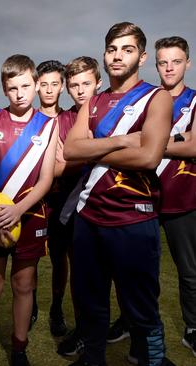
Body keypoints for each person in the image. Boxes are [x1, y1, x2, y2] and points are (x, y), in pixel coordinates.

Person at [64, 22, 174, 366]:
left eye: (127, 49)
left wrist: (92, 149)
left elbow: (148, 156)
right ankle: (93, 359)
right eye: (112, 48)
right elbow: (70, 150)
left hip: (134, 217)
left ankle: (150, 359)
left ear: (141, 57)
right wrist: (121, 140)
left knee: (141, 306)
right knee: (89, 303)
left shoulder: (157, 97)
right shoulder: (93, 101)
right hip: (89, 218)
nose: (117, 55)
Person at [0, 55, 58, 366]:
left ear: (36, 85)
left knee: (24, 285)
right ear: (5, 91)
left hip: (31, 215)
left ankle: (19, 350)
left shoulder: (49, 125)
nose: (20, 93)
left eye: (25, 86)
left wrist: (18, 210)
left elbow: (46, 178)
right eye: (12, 88)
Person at [53, 56, 102, 357]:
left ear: (98, 82)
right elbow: (59, 165)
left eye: (86, 83)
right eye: (74, 85)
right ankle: (84, 330)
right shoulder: (66, 119)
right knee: (82, 274)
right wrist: (104, 148)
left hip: (112, 204)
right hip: (73, 206)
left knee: (114, 276)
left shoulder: (113, 112)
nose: (81, 90)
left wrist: (82, 152)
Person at [154, 35, 196, 359]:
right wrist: (177, 139)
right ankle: (131, 322)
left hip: (183, 199)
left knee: (190, 271)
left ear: (187, 63)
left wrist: (150, 143)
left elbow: (194, 147)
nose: (169, 68)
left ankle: (192, 328)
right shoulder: (146, 100)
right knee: (137, 270)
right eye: (163, 62)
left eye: (176, 61)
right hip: (142, 198)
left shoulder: (195, 101)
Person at [34, 59, 66, 334]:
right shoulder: (28, 119)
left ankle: (57, 308)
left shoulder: (70, 120)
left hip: (61, 200)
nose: (49, 90)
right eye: (43, 84)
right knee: (28, 258)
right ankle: (29, 303)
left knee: (59, 257)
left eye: (54, 84)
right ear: (35, 86)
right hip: (32, 200)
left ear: (62, 86)